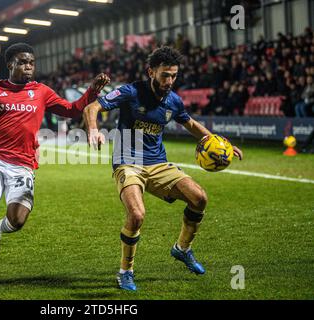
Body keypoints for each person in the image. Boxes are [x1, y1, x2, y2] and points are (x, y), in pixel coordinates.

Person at [83, 46, 243, 291]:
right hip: (128, 162)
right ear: (151, 72)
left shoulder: (174, 101)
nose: (170, 81)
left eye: (174, 75)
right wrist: (93, 129)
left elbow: (190, 124)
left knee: (199, 198)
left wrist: (221, 144)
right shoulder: (130, 91)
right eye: (165, 75)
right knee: (136, 215)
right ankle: (126, 271)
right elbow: (91, 107)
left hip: (158, 163)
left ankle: (182, 249)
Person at [0, 43, 110, 289]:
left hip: (24, 165)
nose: (29, 66)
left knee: (16, 221)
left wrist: (91, 91)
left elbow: (71, 110)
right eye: (23, 61)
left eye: (31, 62)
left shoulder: (41, 91)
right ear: (10, 65)